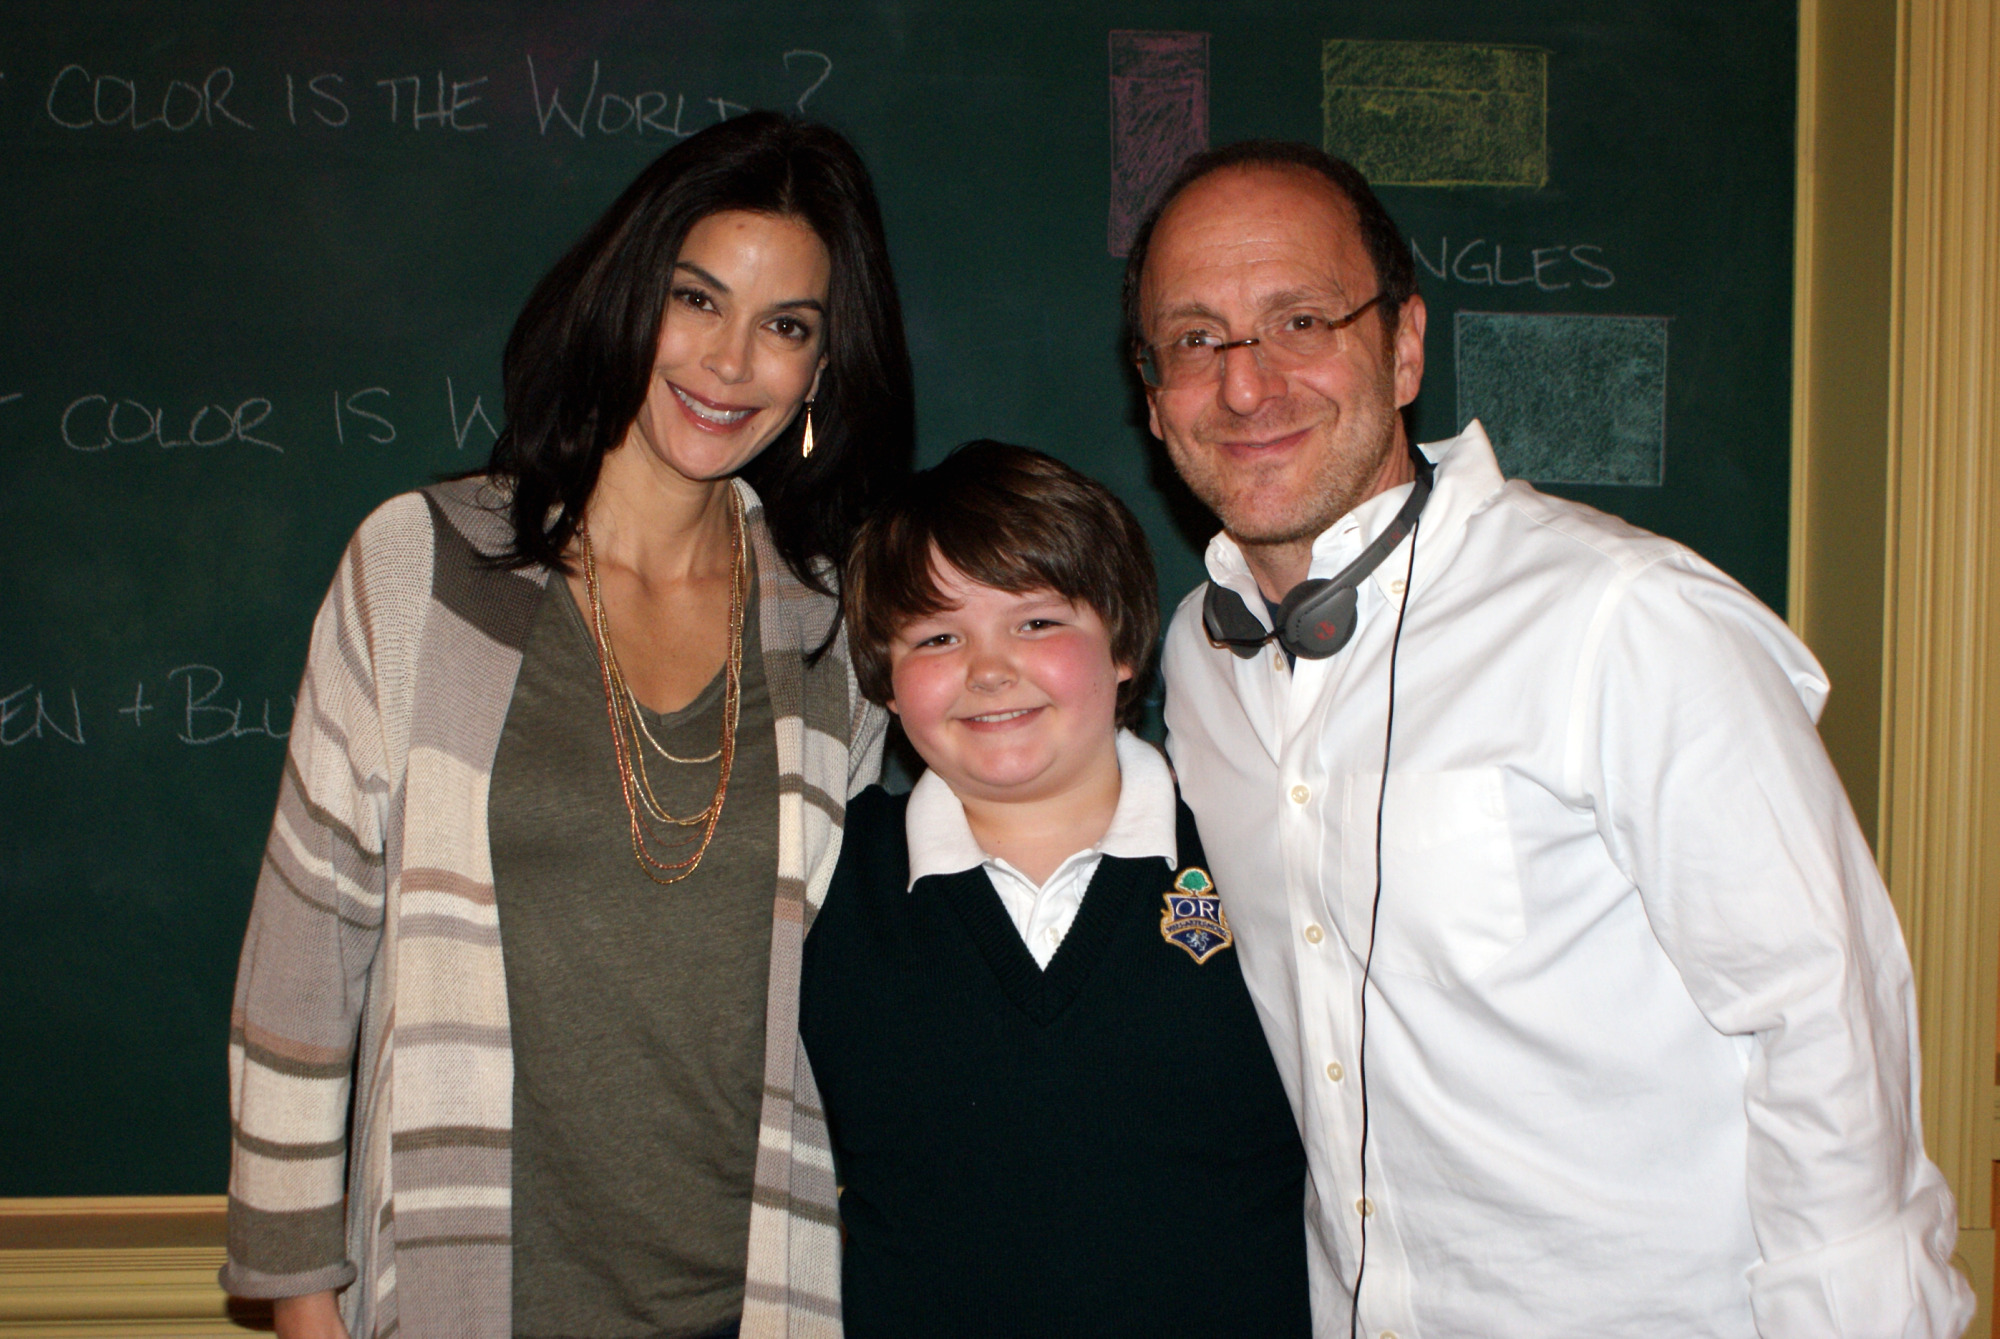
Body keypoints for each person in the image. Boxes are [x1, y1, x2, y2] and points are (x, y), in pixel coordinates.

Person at [1129, 140, 1975, 1338]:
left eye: (1300, 320)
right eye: (1194, 339)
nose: (1246, 386)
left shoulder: (1624, 617)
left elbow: (1820, 1013)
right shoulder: (1195, 663)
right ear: (1152, 392)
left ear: (1404, 344)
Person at [220, 111, 913, 1339]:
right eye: (696, 300)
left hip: (757, 1298)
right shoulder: (421, 567)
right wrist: (298, 1302)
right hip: (461, 1292)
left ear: (822, 370)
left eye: (786, 326)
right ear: (626, 297)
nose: (729, 361)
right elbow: (303, 949)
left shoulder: (830, 633)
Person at [799, 442, 1312, 1338]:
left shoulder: (1256, 856)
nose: (989, 669)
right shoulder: (823, 884)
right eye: (937, 636)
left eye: (1036, 623)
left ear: (1121, 642)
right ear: (882, 677)